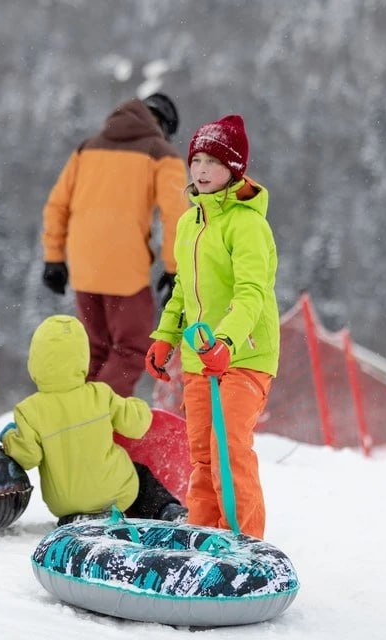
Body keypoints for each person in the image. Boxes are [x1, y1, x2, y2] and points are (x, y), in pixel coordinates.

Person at [144, 114, 280, 539]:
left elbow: (251, 293)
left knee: (228, 448)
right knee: (202, 454)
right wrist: (166, 336)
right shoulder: (190, 223)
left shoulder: (248, 224)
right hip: (200, 359)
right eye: (197, 160)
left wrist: (226, 341)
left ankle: (243, 542)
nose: (201, 170)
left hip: (244, 355)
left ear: (234, 169)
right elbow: (183, 289)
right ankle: (203, 537)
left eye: (214, 162)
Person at [40, 93, 189, 397]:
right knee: (132, 348)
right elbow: (175, 216)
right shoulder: (161, 153)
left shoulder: (88, 148)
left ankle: (76, 413)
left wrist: (54, 258)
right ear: (164, 126)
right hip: (125, 268)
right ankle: (98, 416)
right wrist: (176, 269)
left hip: (84, 264)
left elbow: (57, 205)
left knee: (94, 350)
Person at [0, 314, 186, 526]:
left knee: (85, 492)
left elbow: (27, 457)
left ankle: (77, 517)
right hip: (112, 490)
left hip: (65, 502)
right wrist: (137, 405)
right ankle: (166, 510)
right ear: (82, 358)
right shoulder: (99, 394)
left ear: (34, 361)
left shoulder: (28, 410)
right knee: (139, 476)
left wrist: (9, 436)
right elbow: (136, 425)